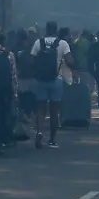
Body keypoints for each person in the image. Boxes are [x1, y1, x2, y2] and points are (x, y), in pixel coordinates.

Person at [29, 21, 73, 149]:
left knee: (41, 109)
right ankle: (52, 140)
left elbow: (31, 60)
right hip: (56, 80)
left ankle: (39, 132)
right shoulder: (62, 43)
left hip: (41, 80)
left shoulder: (38, 42)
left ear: (46, 29)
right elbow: (70, 61)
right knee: (54, 112)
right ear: (56, 30)